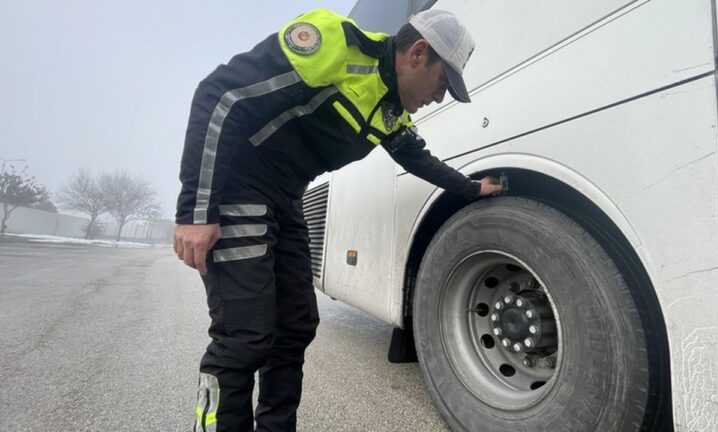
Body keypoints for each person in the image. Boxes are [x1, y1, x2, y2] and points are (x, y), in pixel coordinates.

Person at [174, 7, 502, 432]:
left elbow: (419, 160)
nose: (438, 97)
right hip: (238, 184)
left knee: (295, 326)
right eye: (443, 83)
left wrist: (474, 189)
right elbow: (220, 95)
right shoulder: (335, 44)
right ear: (419, 53)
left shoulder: (391, 111)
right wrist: (196, 211)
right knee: (245, 336)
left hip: (286, 196)